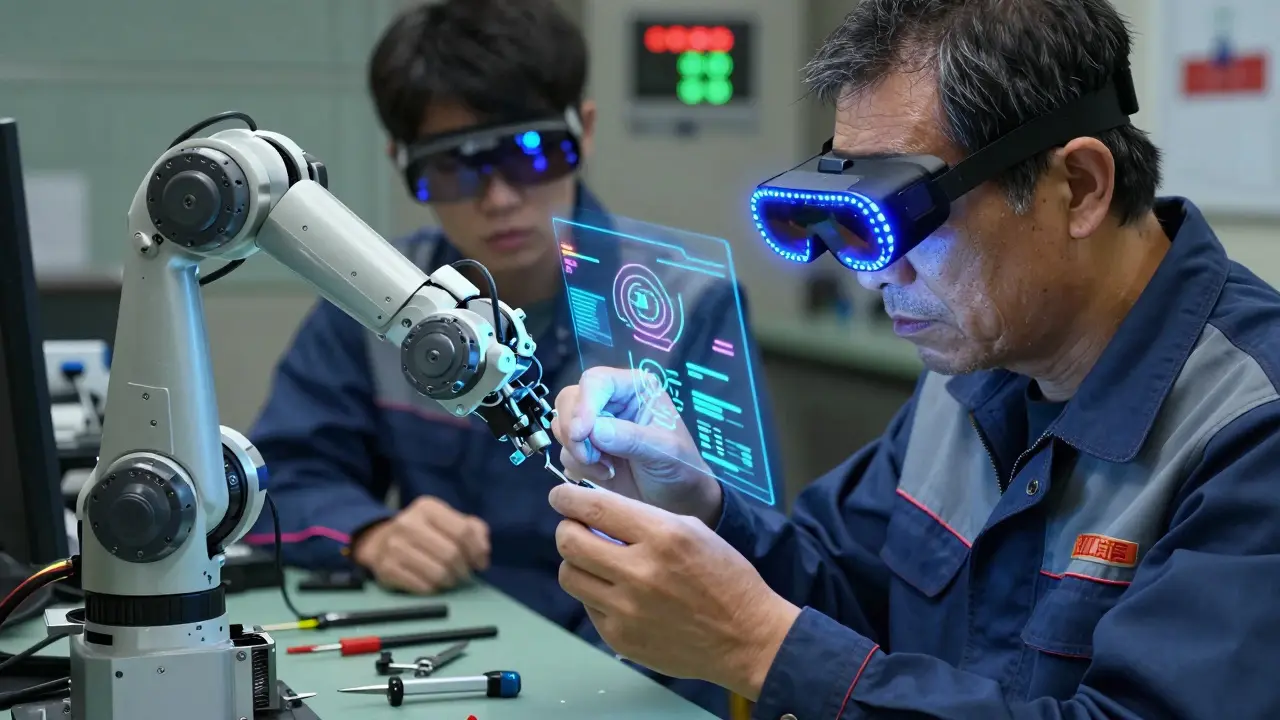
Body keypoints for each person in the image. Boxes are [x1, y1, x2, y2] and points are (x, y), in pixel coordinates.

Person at [545, 1, 1280, 718]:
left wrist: (760, 647)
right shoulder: (975, 371)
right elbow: (839, 589)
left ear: (1079, 188)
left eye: (902, 218)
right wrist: (697, 507)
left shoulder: (1251, 428)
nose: (874, 277)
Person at [243, 1, 775, 716]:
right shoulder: (373, 304)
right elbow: (279, 478)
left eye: (530, 153)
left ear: (583, 130)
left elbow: (750, 545)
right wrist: (370, 532)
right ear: (402, 163)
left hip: (636, 675)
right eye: (452, 168)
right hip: (451, 656)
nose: (498, 198)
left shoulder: (684, 305)